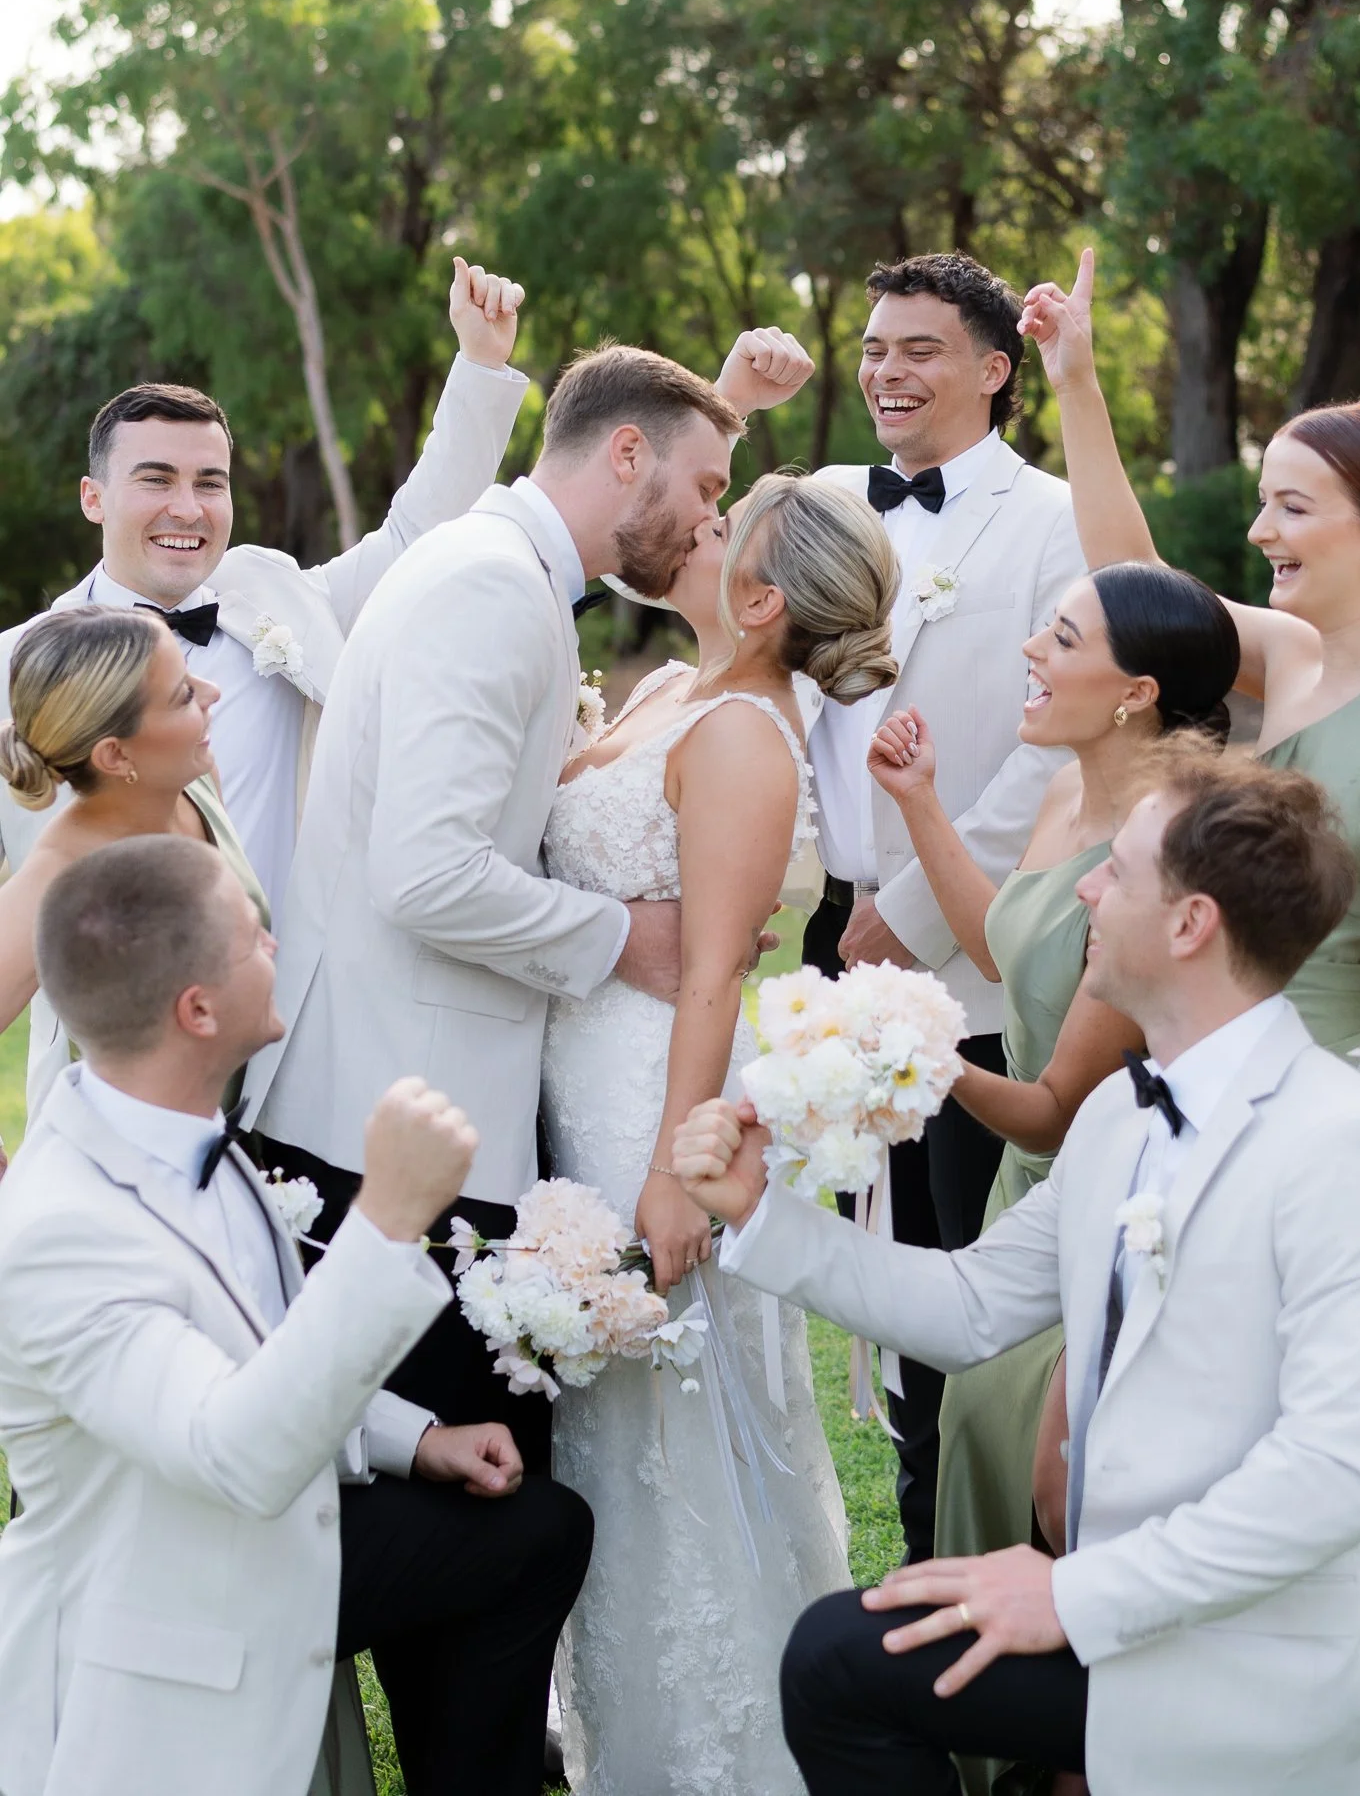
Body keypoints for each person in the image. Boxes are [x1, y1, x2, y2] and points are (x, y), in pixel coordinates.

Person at [675, 752, 1360, 1796]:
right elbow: (967, 1304)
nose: (1085, 887)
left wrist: (1076, 1596)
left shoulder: (1333, 1142)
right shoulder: (1122, 1116)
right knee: (843, 1655)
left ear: (1192, 925)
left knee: (841, 1666)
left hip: (1261, 1654)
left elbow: (1334, 1473)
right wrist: (760, 1212)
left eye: (1118, 872)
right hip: (1135, 1621)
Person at [246, 332, 807, 1472]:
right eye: (706, 487)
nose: (710, 516)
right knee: (454, 1515)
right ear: (629, 452)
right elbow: (428, 871)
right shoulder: (494, 588)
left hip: (404, 1088)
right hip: (394, 1104)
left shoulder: (500, 569)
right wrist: (622, 936)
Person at [0, 836, 593, 1796]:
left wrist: (419, 1438)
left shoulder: (191, 1133)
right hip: (164, 1635)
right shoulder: (62, 1229)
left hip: (247, 1539)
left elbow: (255, 1354)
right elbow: (237, 1451)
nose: (278, 945)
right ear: (196, 1010)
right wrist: (388, 1220)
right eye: (251, 938)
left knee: (534, 1530)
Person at [542, 471, 899, 1794]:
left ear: (758, 594)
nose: (701, 513)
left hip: (657, 1090)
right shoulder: (663, 688)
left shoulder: (749, 726)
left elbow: (710, 972)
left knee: (681, 1411)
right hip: (577, 1072)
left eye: (724, 513)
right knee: (610, 1426)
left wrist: (671, 1166)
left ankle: (729, 1757)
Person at [868, 562, 1238, 1795]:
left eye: (1060, 634)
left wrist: (918, 1055)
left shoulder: (1173, 835)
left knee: (1021, 1442)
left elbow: (1055, 1101)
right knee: (962, 1406)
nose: (1031, 646)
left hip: (1099, 1180)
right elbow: (1005, 943)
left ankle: (1057, 1742)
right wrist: (920, 804)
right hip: (1024, 1187)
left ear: (1135, 693)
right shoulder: (1063, 792)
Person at [802, 250, 1087, 1558]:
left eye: (918, 347)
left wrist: (911, 905)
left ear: (992, 369)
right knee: (876, 1270)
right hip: (837, 933)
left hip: (974, 956)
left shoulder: (1052, 520)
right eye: (871, 346)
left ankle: (987, 1566)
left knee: (970, 1286)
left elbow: (1051, 747)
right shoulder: (826, 506)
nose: (885, 370)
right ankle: (922, 1568)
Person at [0, 257, 530, 925]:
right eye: (157, 480)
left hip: (290, 1009)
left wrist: (480, 366)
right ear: (93, 498)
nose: (188, 509)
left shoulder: (281, 601)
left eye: (210, 482)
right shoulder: (11, 664)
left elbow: (413, 535)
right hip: (108, 1020)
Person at [1025, 248, 1360, 1055]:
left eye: (1290, 505)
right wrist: (1076, 384)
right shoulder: (1288, 652)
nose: (1258, 531)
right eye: (1259, 503)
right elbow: (1135, 593)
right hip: (1211, 1064)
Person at [0, 607, 267, 1124]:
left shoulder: (196, 780)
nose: (212, 692)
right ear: (116, 756)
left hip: (223, 1139)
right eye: (184, 694)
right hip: (120, 1169)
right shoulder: (62, 875)